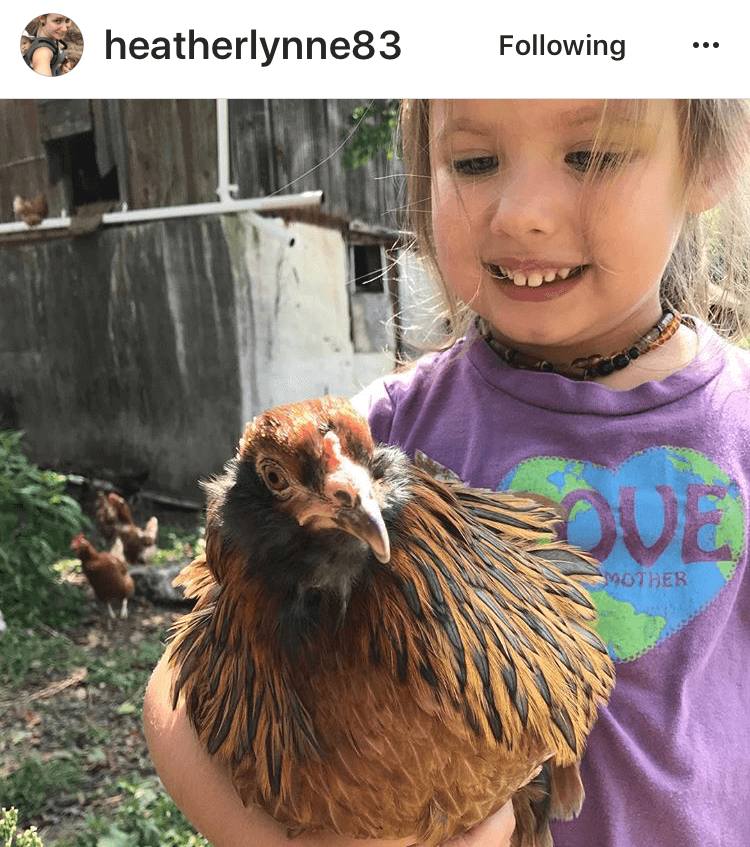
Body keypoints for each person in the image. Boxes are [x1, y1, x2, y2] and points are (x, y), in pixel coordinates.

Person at [144, 99, 750, 846]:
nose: (522, 213)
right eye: (474, 162)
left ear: (712, 161)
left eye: (592, 156)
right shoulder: (384, 435)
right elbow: (178, 688)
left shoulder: (739, 426)